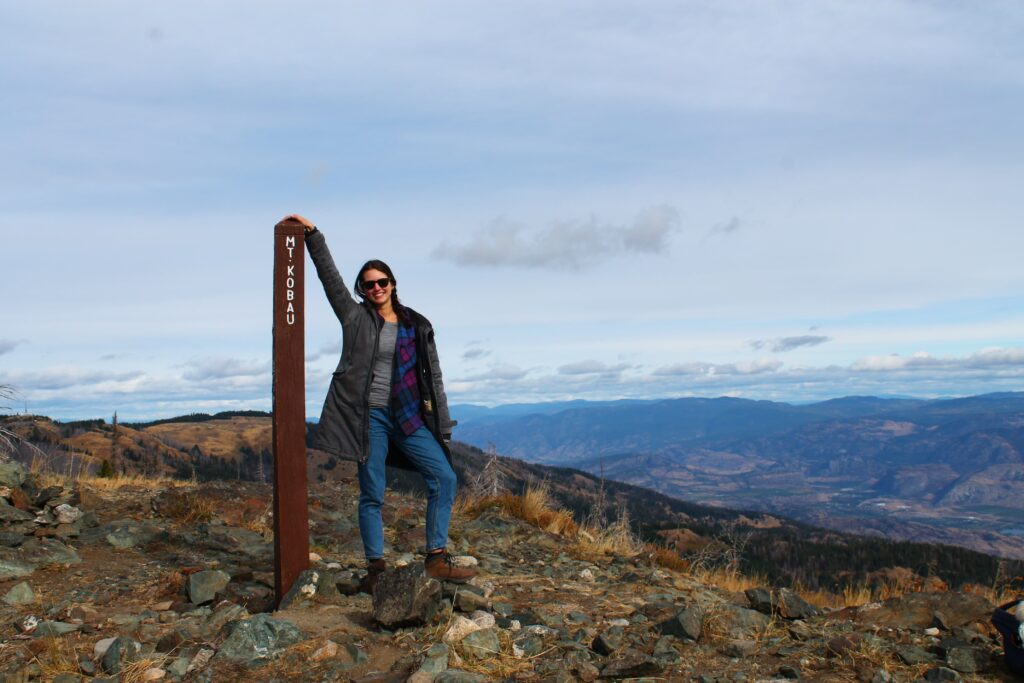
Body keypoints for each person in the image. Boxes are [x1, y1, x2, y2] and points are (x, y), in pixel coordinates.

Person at [286, 214, 476, 593]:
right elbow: (330, 281)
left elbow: (433, 377)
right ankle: (376, 570)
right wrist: (312, 236)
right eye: (368, 284)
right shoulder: (355, 318)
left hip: (409, 417)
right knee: (372, 492)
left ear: (393, 284)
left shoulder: (416, 325)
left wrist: (442, 426)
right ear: (362, 289)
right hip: (368, 418)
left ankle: (436, 557)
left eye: (382, 282)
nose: (376, 288)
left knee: (444, 477)